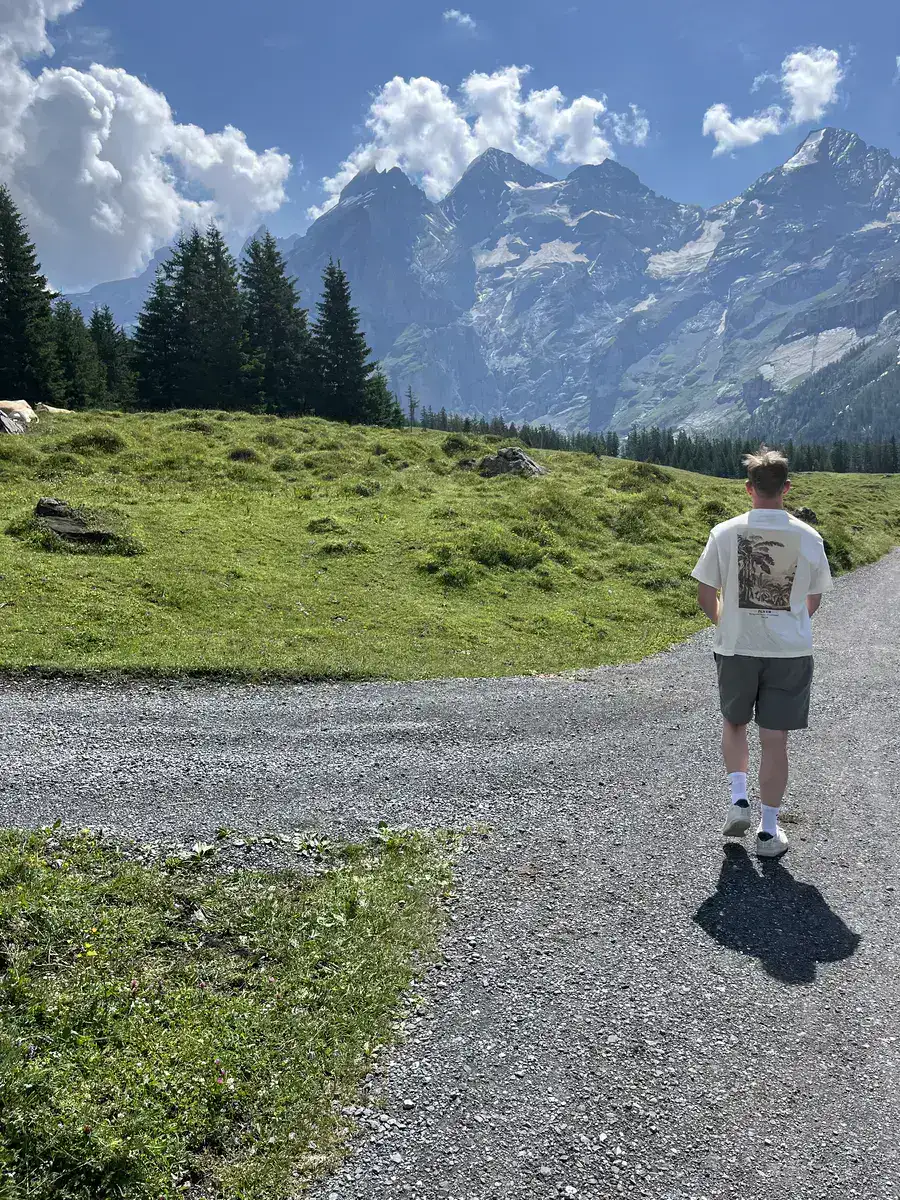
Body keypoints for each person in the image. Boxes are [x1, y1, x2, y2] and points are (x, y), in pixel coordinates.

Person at [691, 447, 833, 857]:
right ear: (786, 488)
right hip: (789, 652)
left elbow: (705, 595)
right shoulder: (809, 537)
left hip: (737, 647)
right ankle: (769, 832)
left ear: (748, 488)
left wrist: (728, 625)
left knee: (734, 723)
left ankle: (739, 798)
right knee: (775, 740)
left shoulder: (724, 532)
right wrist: (788, 624)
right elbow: (813, 599)